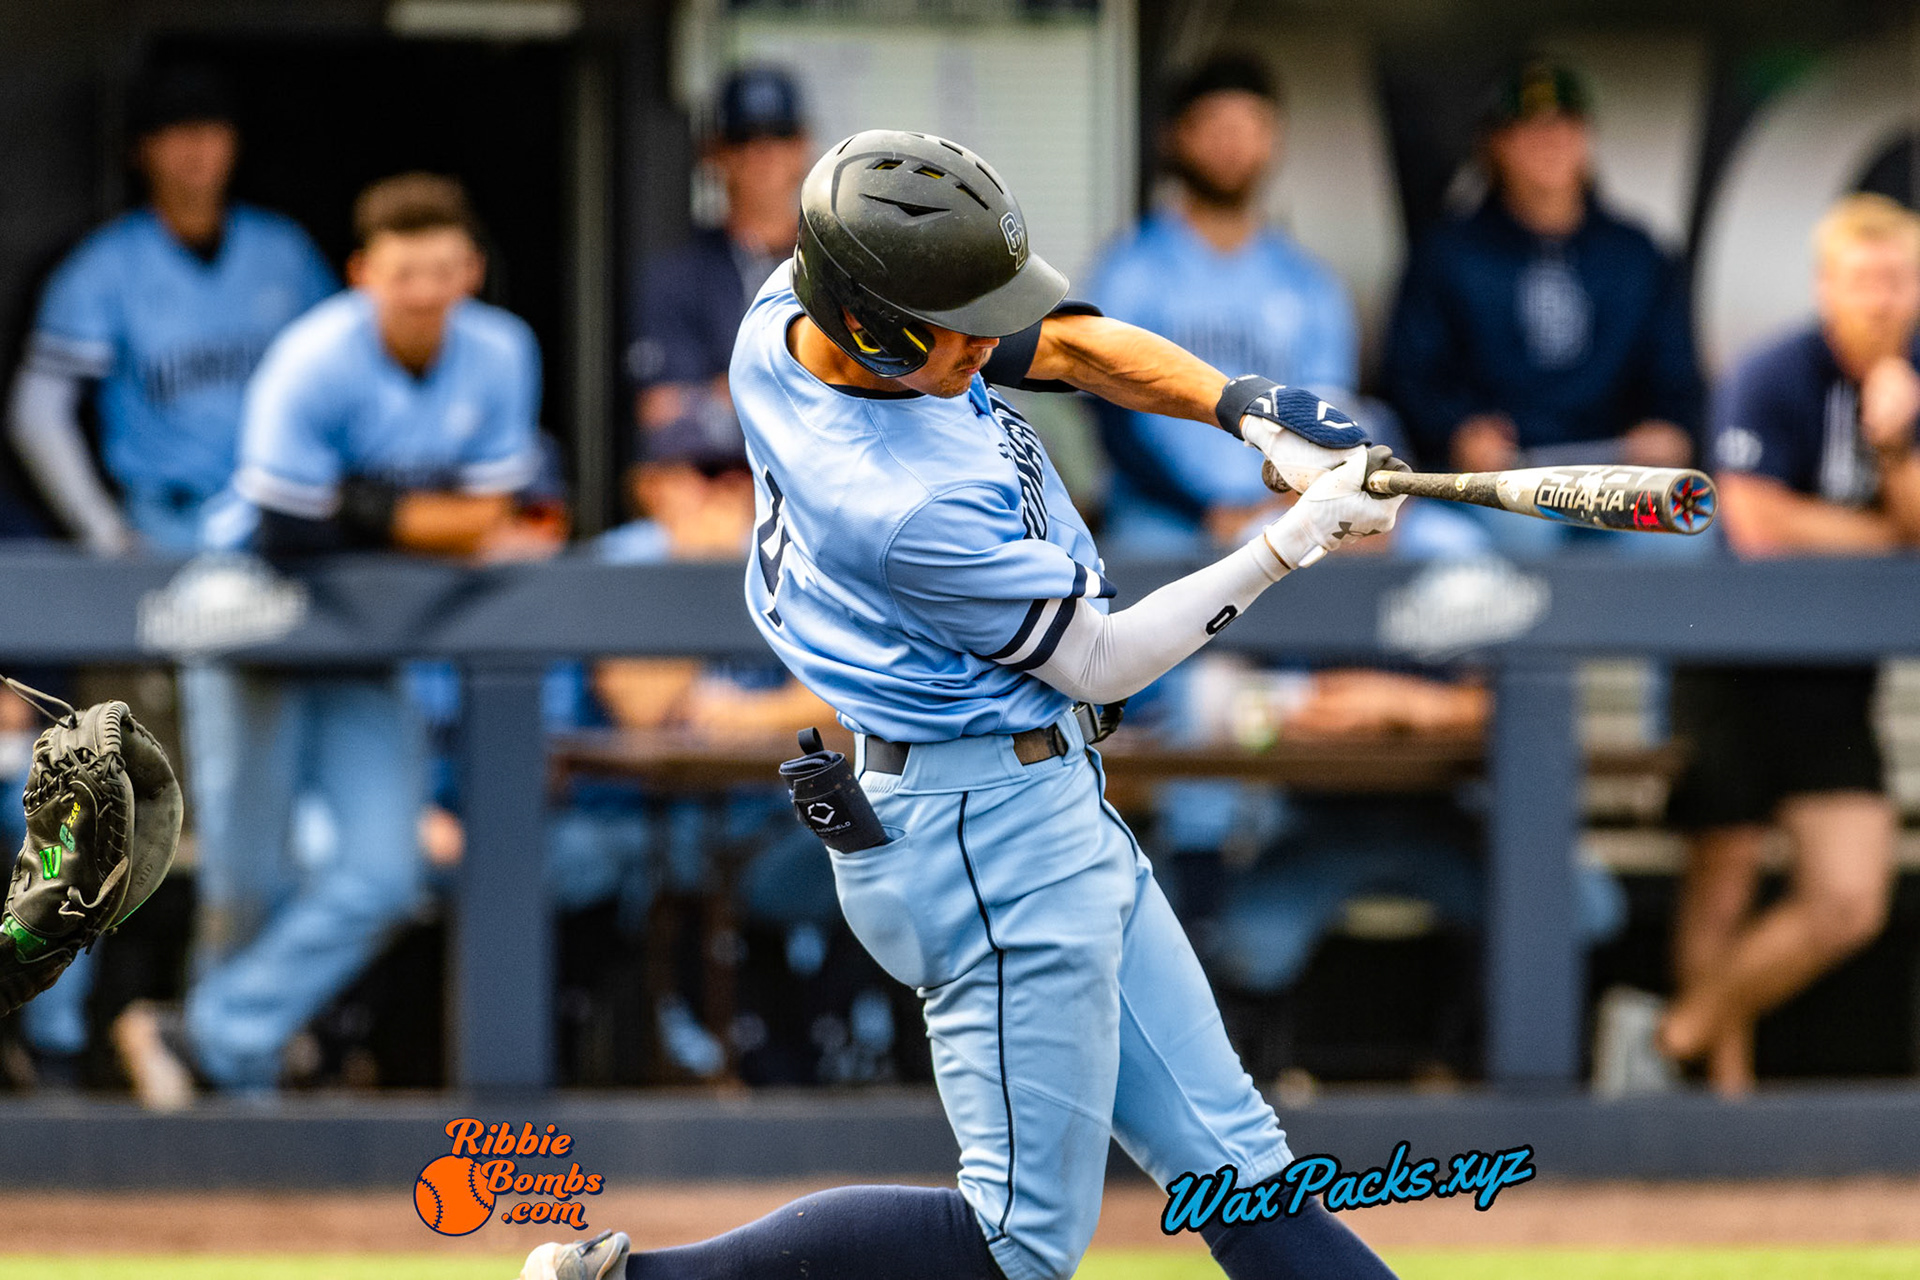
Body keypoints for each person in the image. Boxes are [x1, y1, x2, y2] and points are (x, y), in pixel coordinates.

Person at [516, 130, 1401, 1280]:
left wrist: (1243, 406)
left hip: (1027, 802)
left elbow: (1065, 345)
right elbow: (1098, 659)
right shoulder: (896, 503)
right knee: (1015, 1241)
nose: (993, 343)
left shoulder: (791, 310)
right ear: (877, 326)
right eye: (961, 325)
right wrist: (1286, 545)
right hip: (982, 831)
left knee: (1238, 1165)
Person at [113, 174, 543, 1107]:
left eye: (442, 268)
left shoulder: (502, 352)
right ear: (362, 274)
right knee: (247, 874)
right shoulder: (315, 356)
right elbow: (286, 528)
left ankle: (206, 1036)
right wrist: (433, 521)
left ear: (470, 269)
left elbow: (499, 509)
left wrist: (371, 509)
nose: (425, 290)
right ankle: (234, 1101)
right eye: (403, 272)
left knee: (391, 875)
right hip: (256, 615)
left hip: (366, 636)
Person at [1595, 194, 1920, 1098]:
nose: (1883, 301)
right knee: (1725, 870)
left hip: (1835, 677)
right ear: (1827, 287)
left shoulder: (1912, 385)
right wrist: (1884, 541)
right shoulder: (1773, 372)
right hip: (1733, 658)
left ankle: (1669, 1039)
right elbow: (1754, 522)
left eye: (1899, 281)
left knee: (1851, 899)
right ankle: (1720, 1116)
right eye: (1864, 281)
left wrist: (1895, 447)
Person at [7, 64, 334, 554]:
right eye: (176, 133)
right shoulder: (103, 267)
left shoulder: (284, 252)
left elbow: (348, 375)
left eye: (210, 131)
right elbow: (37, 411)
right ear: (142, 150)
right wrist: (103, 530)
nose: (196, 149)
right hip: (168, 523)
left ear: (233, 141)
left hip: (280, 521)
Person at [1383, 56, 1702, 551]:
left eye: (1563, 129)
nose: (1549, 145)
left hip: (1615, 471)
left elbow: (1676, 374)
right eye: (1529, 132)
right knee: (1524, 529)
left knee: (1678, 536)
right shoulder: (1450, 253)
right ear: (1495, 145)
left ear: (1586, 139)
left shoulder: (1636, 253)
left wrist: (1668, 427)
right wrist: (1457, 431)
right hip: (1507, 476)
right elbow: (1412, 375)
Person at [1088, 54, 1356, 553]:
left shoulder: (1309, 282)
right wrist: (1205, 511)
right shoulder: (1130, 267)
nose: (1232, 145)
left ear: (1274, 139)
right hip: (1163, 516)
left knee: (1438, 546)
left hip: (1286, 510)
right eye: (1215, 126)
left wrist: (1291, 505)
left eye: (1249, 127)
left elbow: (1331, 414)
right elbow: (1109, 419)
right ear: (1176, 137)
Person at [627, 65, 811, 470]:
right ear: (714, 153)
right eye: (743, 137)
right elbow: (665, 424)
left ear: (803, 146)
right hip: (712, 497)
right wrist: (805, 391)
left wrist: (721, 397)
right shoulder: (677, 276)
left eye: (778, 135)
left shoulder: (836, 266)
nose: (762, 154)